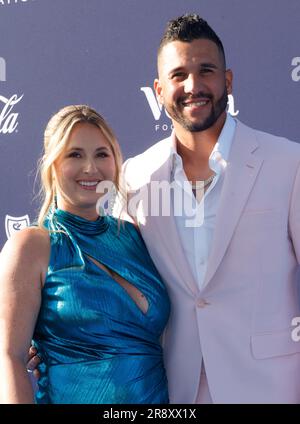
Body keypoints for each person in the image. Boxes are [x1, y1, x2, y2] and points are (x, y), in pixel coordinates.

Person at [28, 14, 300, 403]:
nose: (193, 86)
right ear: (158, 90)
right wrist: (49, 336)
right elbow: (115, 279)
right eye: (178, 75)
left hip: (269, 387)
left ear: (228, 80)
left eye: (206, 70)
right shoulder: (135, 176)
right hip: (172, 392)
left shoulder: (288, 164)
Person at [0, 104, 170, 404]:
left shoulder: (134, 235)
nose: (91, 168)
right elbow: (10, 358)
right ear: (52, 164)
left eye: (101, 154)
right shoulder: (32, 247)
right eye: (75, 154)